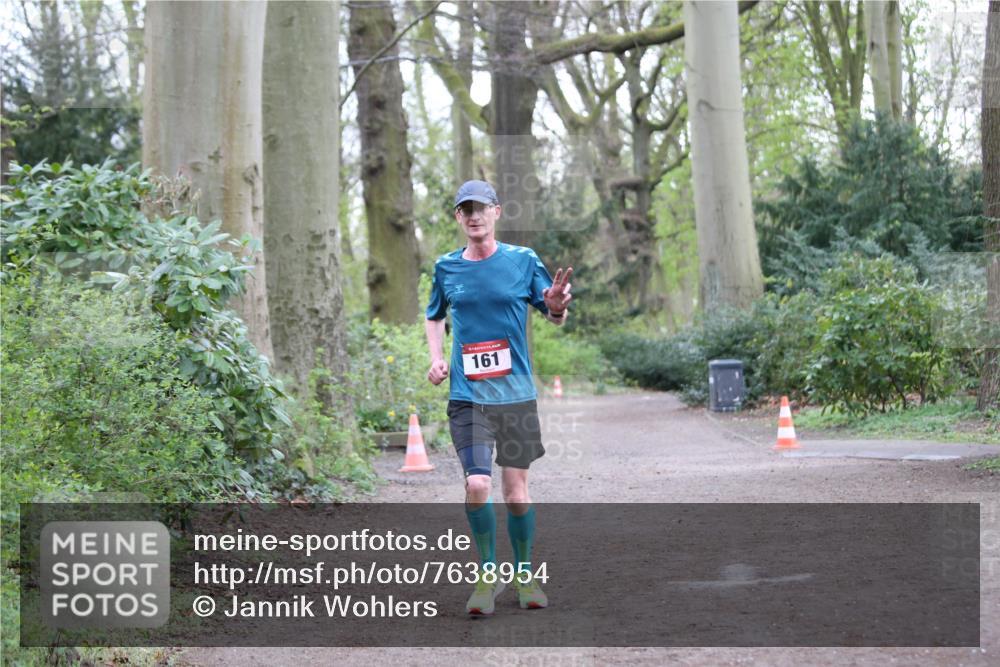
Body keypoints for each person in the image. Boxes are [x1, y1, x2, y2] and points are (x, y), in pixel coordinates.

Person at [425, 180, 573, 616]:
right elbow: (434, 316)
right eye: (466, 209)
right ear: (458, 217)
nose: (474, 216)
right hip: (467, 396)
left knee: (515, 491)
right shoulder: (446, 268)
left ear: (497, 212)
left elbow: (554, 313)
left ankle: (524, 574)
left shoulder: (522, 260)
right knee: (477, 484)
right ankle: (488, 575)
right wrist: (437, 358)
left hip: (515, 396)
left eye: (481, 208)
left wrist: (556, 305)